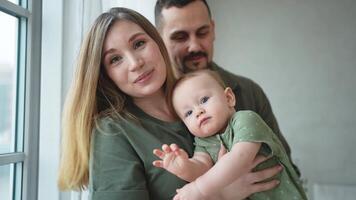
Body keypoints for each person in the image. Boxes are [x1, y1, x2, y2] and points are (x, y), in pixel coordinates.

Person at [57, 7, 283, 200]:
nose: (136, 63)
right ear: (106, 75)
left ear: (157, 42)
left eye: (138, 43)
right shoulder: (112, 132)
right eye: (115, 59)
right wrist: (218, 194)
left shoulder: (200, 99)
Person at [154, 0, 300, 175]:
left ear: (213, 29)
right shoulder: (152, 103)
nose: (194, 46)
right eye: (180, 37)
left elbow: (288, 167)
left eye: (202, 33)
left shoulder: (250, 91)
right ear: (159, 38)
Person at [153, 70, 307, 200]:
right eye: (188, 113)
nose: (198, 112)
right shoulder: (203, 142)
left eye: (204, 100)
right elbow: (202, 167)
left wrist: (199, 189)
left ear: (229, 98)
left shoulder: (245, 119)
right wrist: (184, 167)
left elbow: (240, 159)